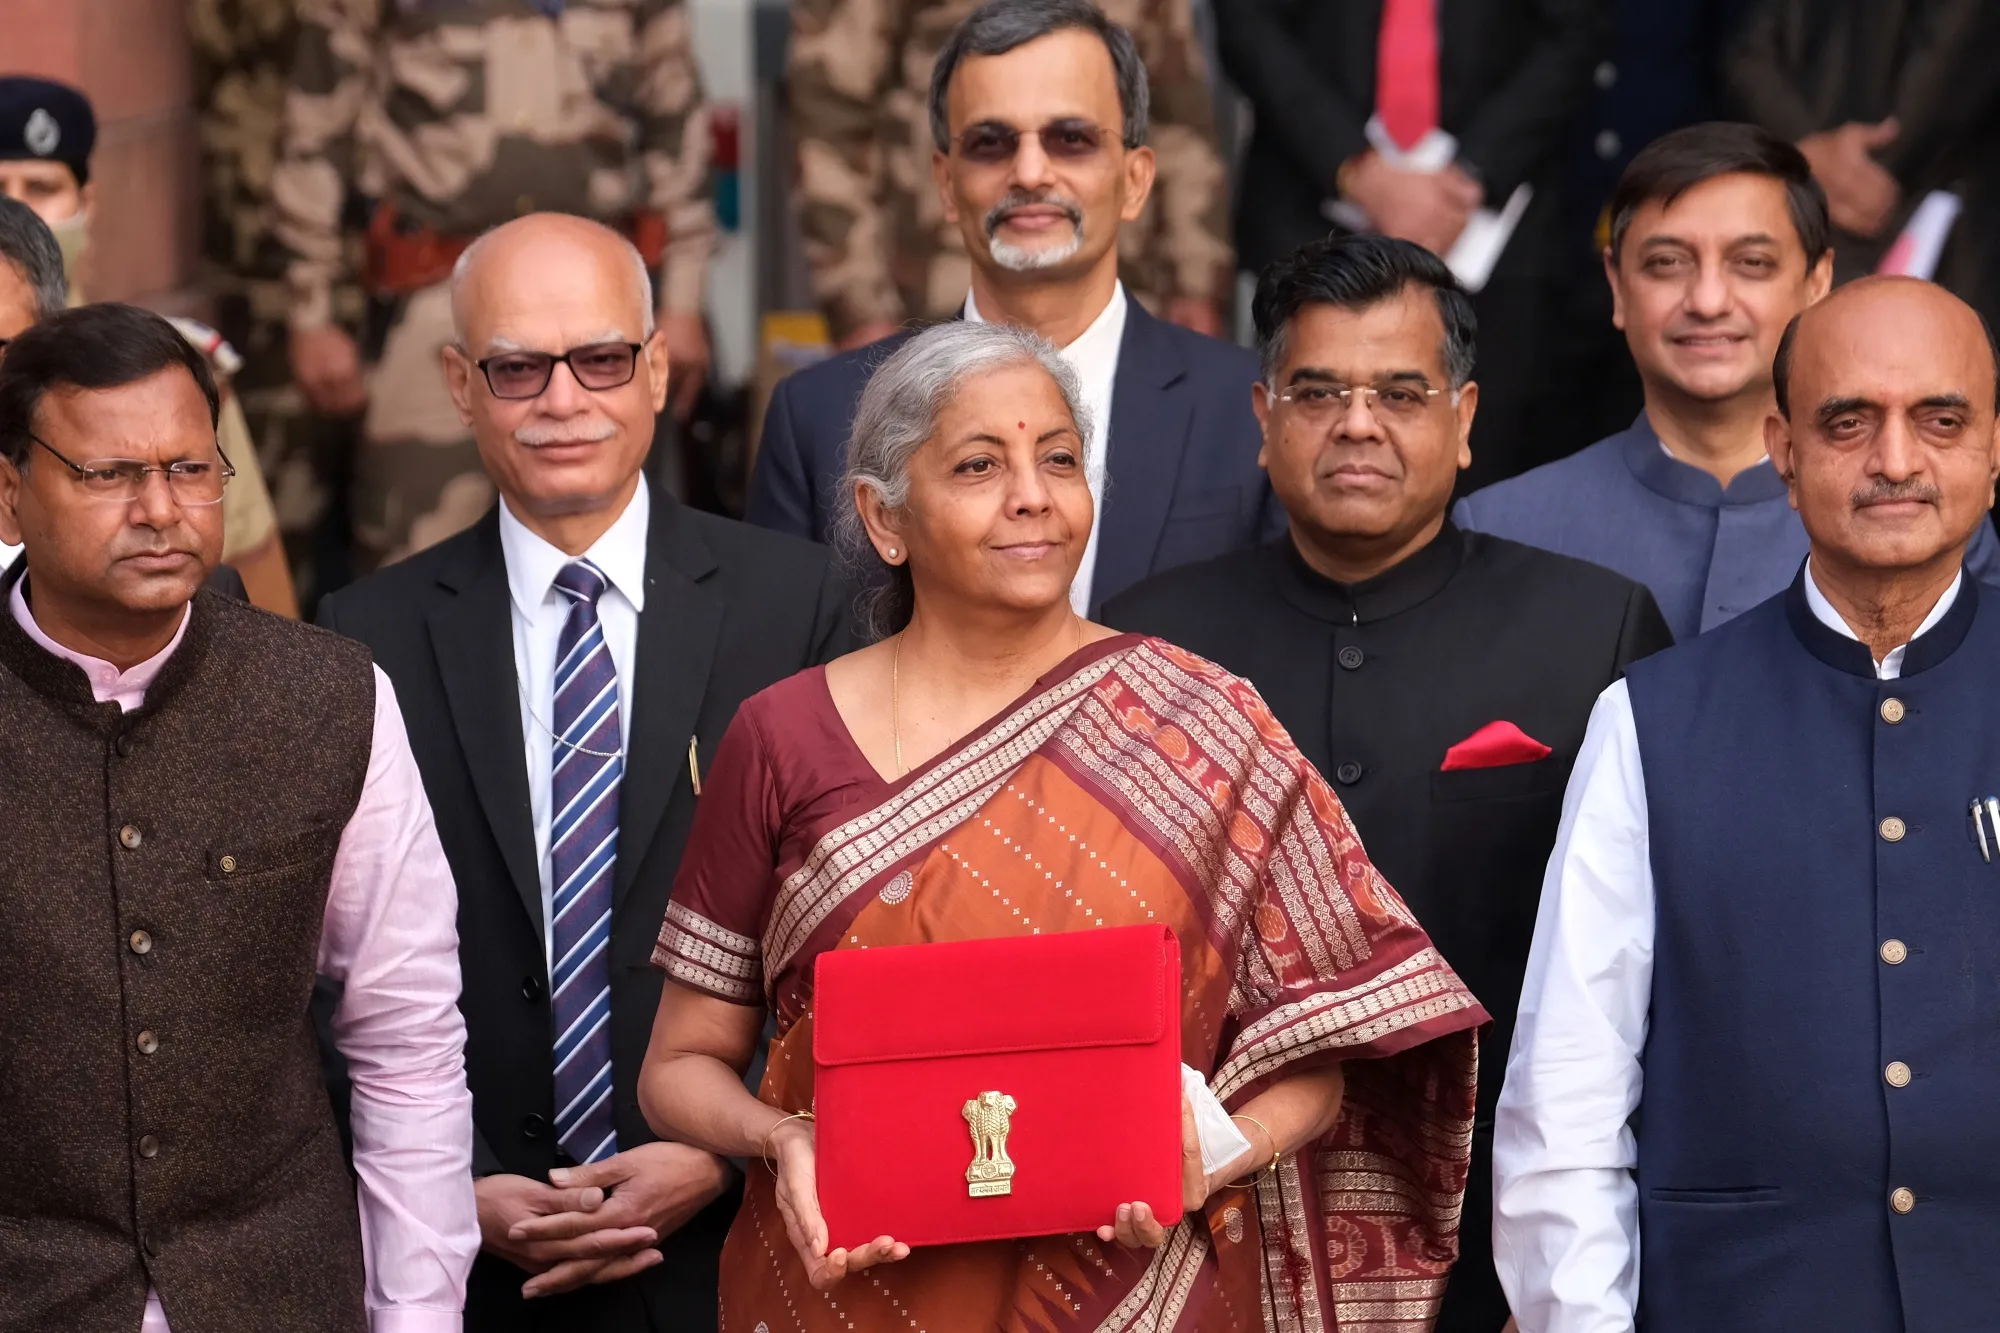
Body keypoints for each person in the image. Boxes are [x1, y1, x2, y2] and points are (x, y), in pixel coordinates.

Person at [643, 318, 1487, 1329]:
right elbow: (678, 1065)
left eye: (1059, 459)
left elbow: (1323, 1052)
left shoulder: (1203, 725)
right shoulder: (781, 735)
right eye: (976, 465)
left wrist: (1210, 1147)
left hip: (1141, 1290)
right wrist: (783, 1137)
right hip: (847, 1288)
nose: (1032, 496)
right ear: (884, 518)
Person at [1104, 235, 1670, 1332]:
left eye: (1398, 393)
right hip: (1206, 1241)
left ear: (1462, 421)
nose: (1355, 423)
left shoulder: (1590, 627)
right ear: (1262, 420)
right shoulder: (1149, 643)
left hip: (1496, 1246)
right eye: (1318, 393)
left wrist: (1564, 1280)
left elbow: (1652, 975)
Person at [315, 213, 852, 1331]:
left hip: (738, 1248)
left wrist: (724, 1142)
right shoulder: (362, 639)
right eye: (517, 367)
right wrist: (447, 1180)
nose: (563, 400)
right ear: (460, 385)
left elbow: (855, 923)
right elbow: (320, 954)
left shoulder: (796, 605)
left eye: (601, 358)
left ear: (658, 370)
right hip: (471, 1262)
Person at [1494, 276, 2000, 1328]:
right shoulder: (1651, 717)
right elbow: (1565, 1109)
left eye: (1938, 420)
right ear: (1781, 446)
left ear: (1993, 446)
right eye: (1847, 421)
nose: (1895, 461)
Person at [0, 302, 477, 1327]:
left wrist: (418, 1316)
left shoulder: (327, 697)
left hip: (281, 1291)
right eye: (108, 474)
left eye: (187, 468)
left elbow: (406, 1043)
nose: (159, 509)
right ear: (9, 491)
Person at [749, 0, 1278, 616]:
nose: (1030, 172)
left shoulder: (1248, 412)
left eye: (1072, 140)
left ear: (1135, 180)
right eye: (991, 144)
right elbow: (779, 684)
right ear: (945, 184)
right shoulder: (820, 420)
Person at [1455, 122, 2000, 641]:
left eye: (1752, 263)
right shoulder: (1502, 528)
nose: (1708, 302)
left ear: (1818, 283)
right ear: (1618, 288)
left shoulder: (1917, 512)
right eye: (1667, 263)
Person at [271, 0, 717, 575]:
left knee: (609, 556)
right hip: (431, 306)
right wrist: (311, 313)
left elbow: (676, 122)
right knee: (416, 558)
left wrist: (683, 299)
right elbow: (315, 124)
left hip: (595, 301)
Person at [1214, 0, 1610, 491]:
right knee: (1311, 461)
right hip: (1309, 202)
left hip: (1500, 226)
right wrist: (1352, 167)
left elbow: (1579, 31)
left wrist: (1475, 171)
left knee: (1492, 473)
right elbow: (1245, 24)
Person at [0, 74, 299, 615]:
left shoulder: (174, 367)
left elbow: (256, 577)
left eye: (41, 188)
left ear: (86, 202)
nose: (20, 210)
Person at [788, 0, 1233, 347]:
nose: (1032, 171)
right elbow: (832, 115)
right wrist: (859, 307)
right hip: (939, 290)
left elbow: (1177, 112)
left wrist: (1196, 280)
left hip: (1124, 284)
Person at [1723, 0, 1997, 288]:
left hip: (1924, 209)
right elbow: (1747, 48)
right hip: (1799, 187)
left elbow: (1951, 58)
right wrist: (1807, 150)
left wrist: (1839, 163)